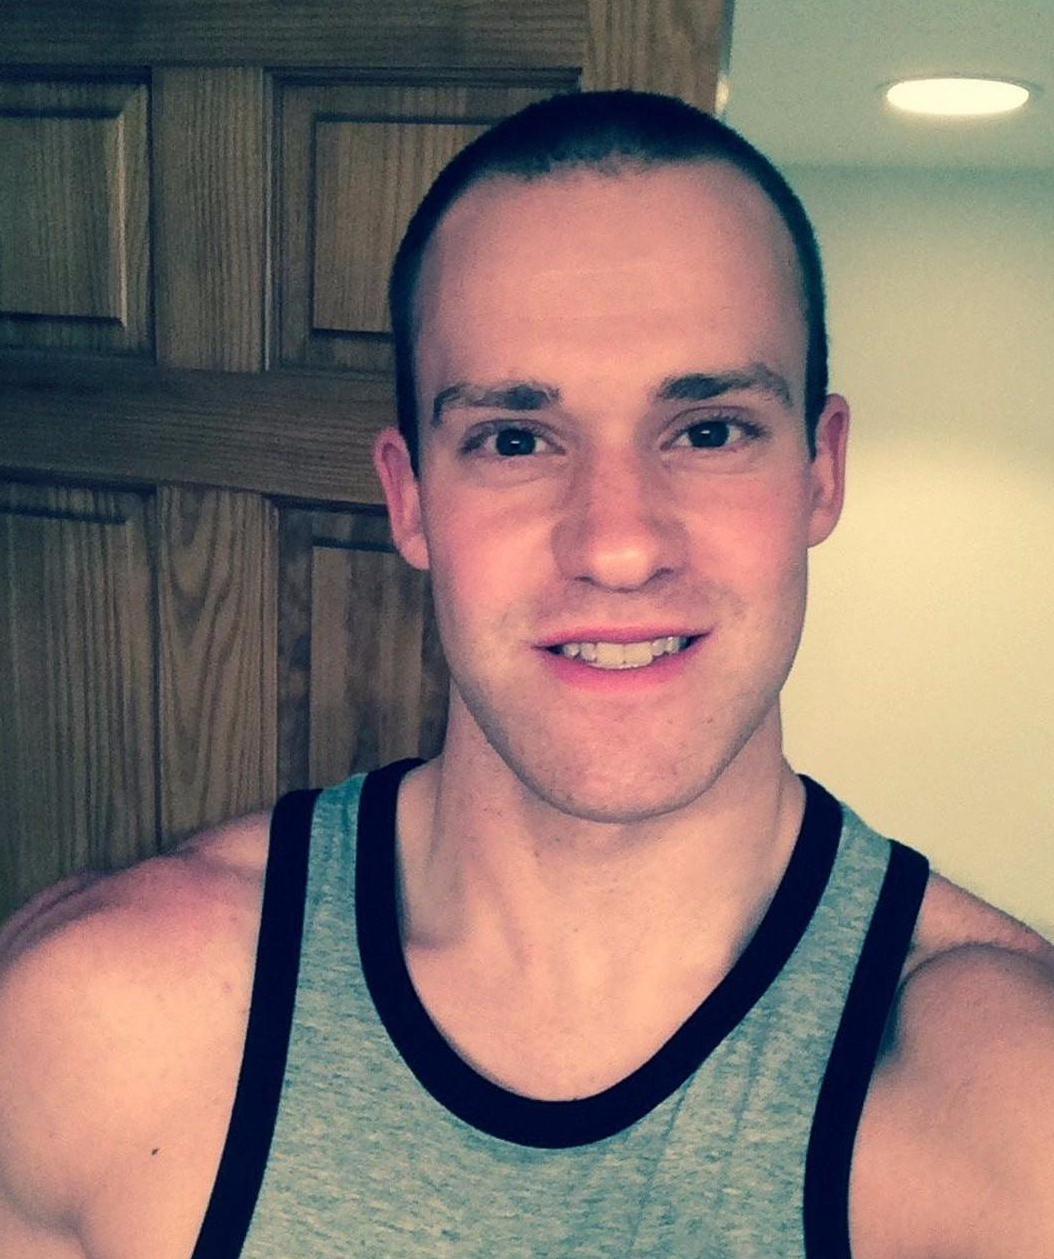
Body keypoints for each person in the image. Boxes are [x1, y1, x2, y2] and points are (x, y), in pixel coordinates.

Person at [1, 90, 1052, 1259]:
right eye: (514, 439)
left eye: (708, 430)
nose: (617, 544)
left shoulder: (1012, 1107)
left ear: (820, 470)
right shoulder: (99, 1020)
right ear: (409, 498)